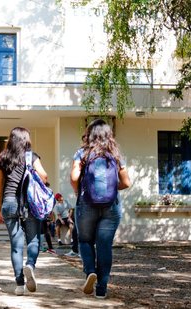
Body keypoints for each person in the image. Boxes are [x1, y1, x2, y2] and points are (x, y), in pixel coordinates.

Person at [70, 118, 131, 299]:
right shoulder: (116, 154)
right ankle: (102, 289)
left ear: (89, 133)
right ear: (108, 135)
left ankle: (90, 271)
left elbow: (74, 177)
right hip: (111, 207)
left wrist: (78, 191)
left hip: (86, 204)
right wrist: (113, 188)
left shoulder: (82, 153)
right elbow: (127, 183)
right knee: (104, 246)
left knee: (84, 241)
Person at [0, 127, 49, 296]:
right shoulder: (31, 156)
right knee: (33, 240)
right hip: (29, 202)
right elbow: (44, 177)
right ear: (26, 139)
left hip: (9, 202)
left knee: (16, 246)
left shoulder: (3, 158)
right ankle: (30, 265)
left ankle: (19, 285)